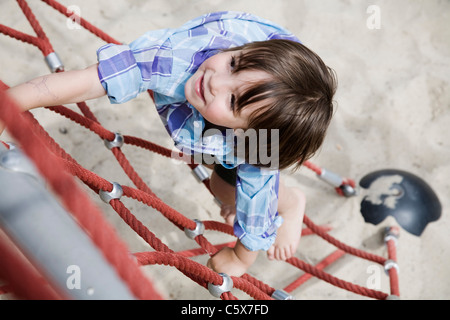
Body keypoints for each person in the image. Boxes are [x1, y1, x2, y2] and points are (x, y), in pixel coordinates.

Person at [0, 11, 336, 277]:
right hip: (229, 89)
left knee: (225, 187)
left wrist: (240, 258)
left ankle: (290, 202)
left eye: (233, 101)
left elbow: (257, 202)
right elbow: (89, 82)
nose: (215, 81)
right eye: (232, 64)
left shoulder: (255, 144)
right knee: (218, 176)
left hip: (238, 137)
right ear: (236, 52)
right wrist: (10, 105)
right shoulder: (173, 60)